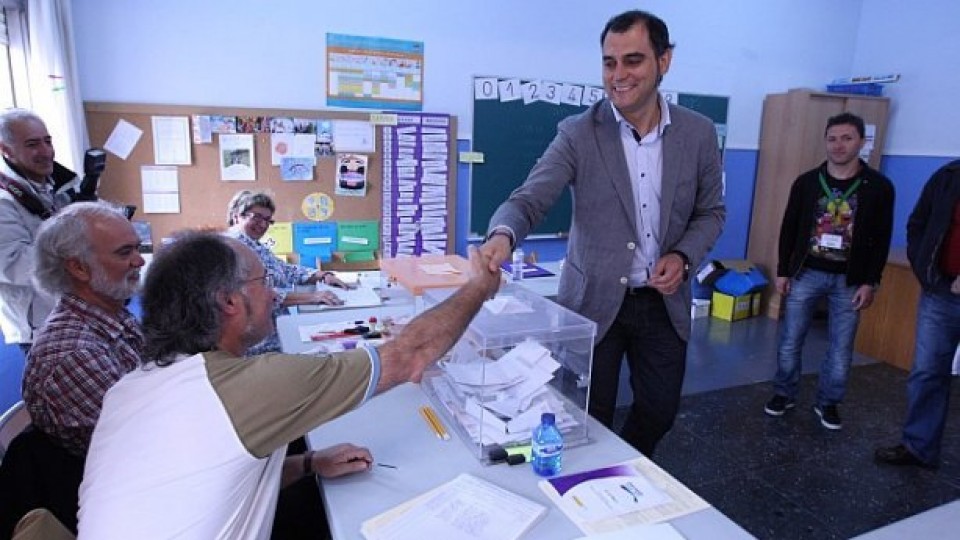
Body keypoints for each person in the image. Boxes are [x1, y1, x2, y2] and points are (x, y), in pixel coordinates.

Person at [77, 233, 501, 538]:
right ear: (229, 302)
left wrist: (306, 464)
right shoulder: (249, 386)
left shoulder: (131, 387)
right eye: (265, 283)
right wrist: (478, 288)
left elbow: (197, 480)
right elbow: (409, 355)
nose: (275, 294)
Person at [480, 10, 725, 457]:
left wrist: (685, 257)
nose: (619, 75)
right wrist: (502, 235)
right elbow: (528, 199)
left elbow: (711, 212)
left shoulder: (699, 133)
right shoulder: (578, 133)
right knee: (587, 413)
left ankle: (626, 467)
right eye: (609, 63)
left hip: (662, 305)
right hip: (592, 304)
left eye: (633, 60)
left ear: (664, 61)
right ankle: (593, 491)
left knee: (659, 412)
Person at [764, 113, 895, 430]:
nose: (838, 145)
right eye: (832, 138)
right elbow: (789, 227)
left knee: (840, 347)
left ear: (861, 142)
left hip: (850, 280)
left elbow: (882, 238)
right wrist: (783, 270)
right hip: (806, 272)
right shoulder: (807, 182)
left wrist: (871, 281)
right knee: (790, 339)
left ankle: (829, 403)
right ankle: (784, 393)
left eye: (847, 138)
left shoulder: (878, 187)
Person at [22, 202, 144, 458]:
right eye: (125, 253)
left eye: (137, 248)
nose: (140, 260)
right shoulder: (75, 353)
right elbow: (140, 444)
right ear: (78, 268)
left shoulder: (115, 318)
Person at [875, 160, 960, 468]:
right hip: (941, 293)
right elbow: (918, 224)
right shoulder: (948, 176)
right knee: (927, 372)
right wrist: (925, 270)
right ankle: (918, 447)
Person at [225, 190, 351, 355]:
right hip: (256, 345)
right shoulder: (232, 247)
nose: (263, 225)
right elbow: (251, 294)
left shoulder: (254, 244)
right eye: (256, 217)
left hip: (275, 331)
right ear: (236, 215)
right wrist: (312, 297)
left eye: (267, 220)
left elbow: (285, 269)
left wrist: (321, 275)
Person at [0, 109, 68, 352]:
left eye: (47, 141)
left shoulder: (50, 187)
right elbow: (11, 264)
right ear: (5, 150)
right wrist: (73, 254)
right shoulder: (4, 200)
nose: (45, 151)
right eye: (32, 144)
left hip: (65, 311)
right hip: (38, 323)